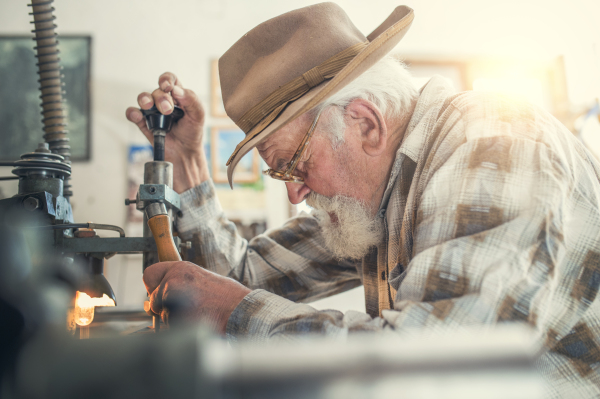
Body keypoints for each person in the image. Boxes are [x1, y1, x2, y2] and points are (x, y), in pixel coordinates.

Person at [125, 3, 600, 397]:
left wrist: (240, 312)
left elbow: (436, 370)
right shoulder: (372, 198)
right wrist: (187, 161)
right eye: (280, 172)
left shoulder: (497, 144)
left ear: (365, 124)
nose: (294, 192)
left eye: (294, 163)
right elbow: (236, 279)